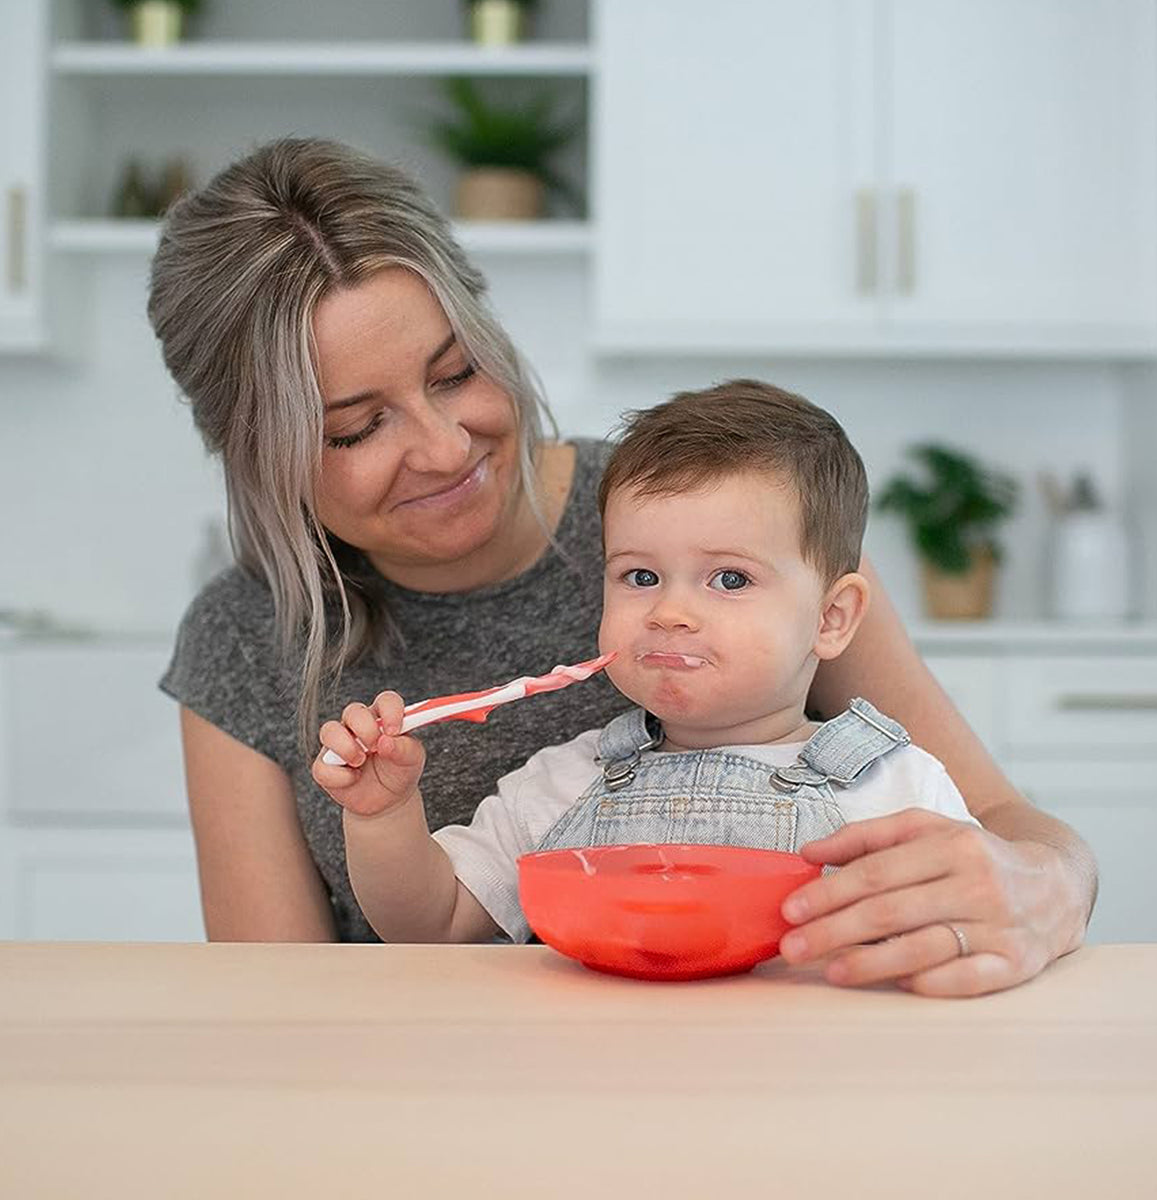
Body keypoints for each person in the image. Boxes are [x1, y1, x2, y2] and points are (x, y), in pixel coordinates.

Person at [151, 136, 1096, 996]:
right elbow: (273, 1006)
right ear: (253, 452)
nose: (444, 448)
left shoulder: (726, 520)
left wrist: (1048, 882)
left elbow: (1008, 828)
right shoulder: (248, 636)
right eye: (358, 427)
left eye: (456, 374)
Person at [313, 382, 985, 955]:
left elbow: (978, 934)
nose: (669, 612)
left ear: (832, 618)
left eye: (728, 578)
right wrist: (384, 816)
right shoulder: (563, 784)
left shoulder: (898, 790)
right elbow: (430, 922)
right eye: (640, 575)